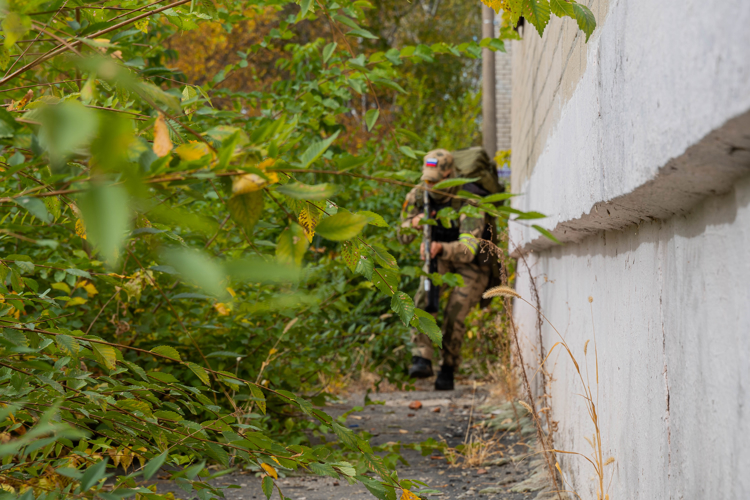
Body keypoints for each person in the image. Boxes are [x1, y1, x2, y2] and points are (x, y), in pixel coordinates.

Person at [397, 149, 495, 391]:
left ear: (450, 174)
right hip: (439, 257)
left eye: (435, 181)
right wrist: (414, 224)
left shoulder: (469, 199)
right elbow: (401, 235)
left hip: (471, 264)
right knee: (422, 297)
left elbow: (468, 250)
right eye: (427, 179)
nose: (430, 185)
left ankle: (448, 368)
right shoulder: (419, 194)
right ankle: (422, 356)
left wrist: (439, 247)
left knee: (455, 313)